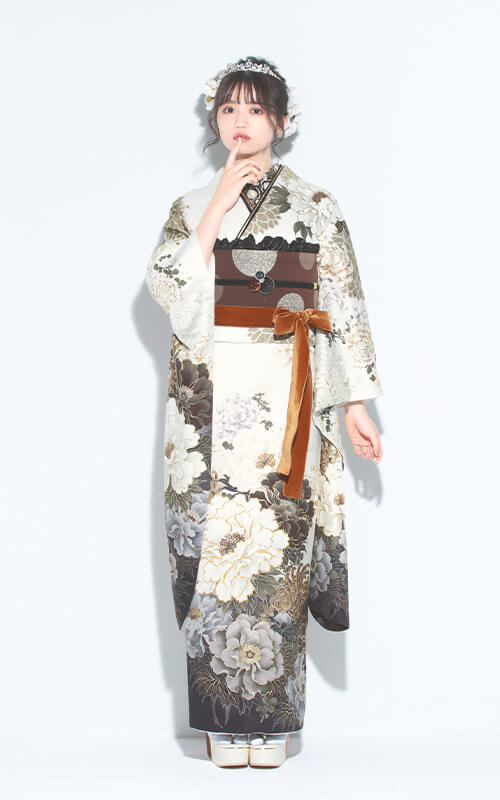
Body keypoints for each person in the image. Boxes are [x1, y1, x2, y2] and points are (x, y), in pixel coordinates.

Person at [145, 56, 384, 769]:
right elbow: (168, 292)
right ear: (215, 119)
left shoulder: (317, 205)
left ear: (281, 121)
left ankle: (273, 724)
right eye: (228, 109)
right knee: (214, 550)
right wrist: (218, 202)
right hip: (211, 401)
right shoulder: (191, 205)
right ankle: (222, 723)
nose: (240, 122)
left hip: (289, 396)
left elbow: (342, 303)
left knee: (278, 554)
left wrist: (355, 403)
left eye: (255, 109)